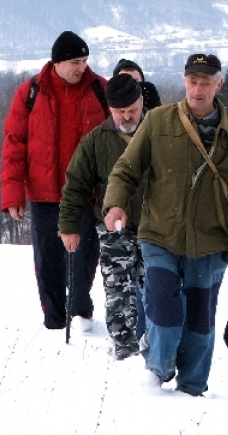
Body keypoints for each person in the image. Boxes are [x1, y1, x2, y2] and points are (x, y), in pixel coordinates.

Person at [103, 53, 228, 396]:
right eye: (192, 82)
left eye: (205, 82)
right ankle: (156, 371)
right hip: (160, 235)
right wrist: (115, 204)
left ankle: (192, 388)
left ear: (219, 84)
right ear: (184, 81)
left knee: (200, 321)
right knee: (163, 307)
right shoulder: (158, 122)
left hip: (211, 240)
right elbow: (126, 169)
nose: (197, 90)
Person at [1, 30, 107, 331]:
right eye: (75, 61)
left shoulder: (100, 89)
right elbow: (14, 144)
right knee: (48, 263)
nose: (81, 68)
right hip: (44, 194)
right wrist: (12, 195)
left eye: (85, 60)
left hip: (85, 195)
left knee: (84, 259)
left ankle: (81, 316)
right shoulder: (31, 91)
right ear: (57, 62)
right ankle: (54, 323)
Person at [58, 73, 147, 359]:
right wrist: (69, 226)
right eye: (120, 111)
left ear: (142, 102)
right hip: (113, 229)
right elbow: (74, 187)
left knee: (155, 290)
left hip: (157, 228)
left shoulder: (161, 132)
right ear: (110, 109)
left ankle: (154, 347)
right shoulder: (95, 142)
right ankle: (124, 348)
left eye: (132, 109)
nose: (127, 116)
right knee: (118, 291)